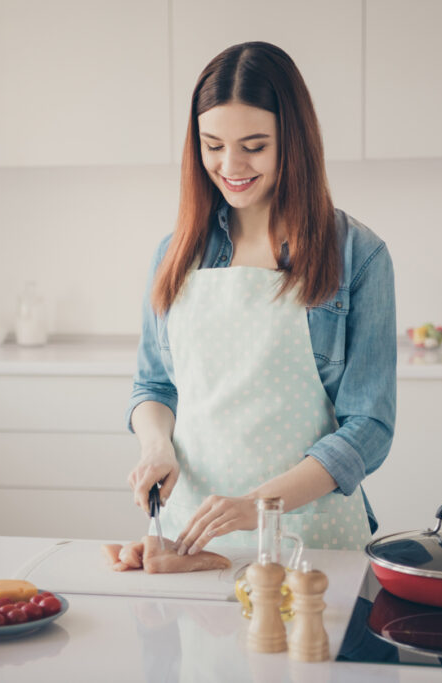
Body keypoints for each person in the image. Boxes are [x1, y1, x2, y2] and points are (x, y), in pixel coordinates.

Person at [126, 41, 396, 556]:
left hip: (311, 541)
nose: (231, 165)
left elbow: (371, 427)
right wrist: (156, 446)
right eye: (212, 145)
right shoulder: (176, 252)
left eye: (254, 145)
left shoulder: (357, 254)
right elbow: (154, 385)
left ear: (292, 142)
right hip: (194, 537)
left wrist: (258, 505)